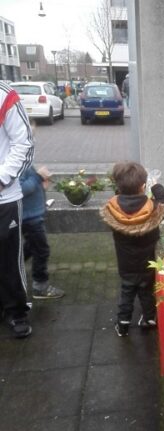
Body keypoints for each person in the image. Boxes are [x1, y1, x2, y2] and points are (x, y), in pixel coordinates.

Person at [100, 161, 164, 337]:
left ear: (118, 186)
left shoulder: (112, 208)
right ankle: (149, 319)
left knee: (127, 291)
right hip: (147, 262)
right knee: (146, 290)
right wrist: (156, 186)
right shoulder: (153, 208)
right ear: (142, 186)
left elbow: (119, 199)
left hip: (125, 263)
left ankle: (123, 324)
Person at [0, 80, 34, 338]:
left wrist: (2, 179)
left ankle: (16, 312)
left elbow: (24, 144)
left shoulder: (4, 95)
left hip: (4, 199)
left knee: (9, 259)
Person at [20, 163, 65, 299]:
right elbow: (20, 189)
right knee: (41, 251)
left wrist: (41, 186)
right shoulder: (14, 161)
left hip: (32, 215)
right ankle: (40, 287)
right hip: (29, 218)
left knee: (31, 247)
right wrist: (38, 176)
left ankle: (10, 270)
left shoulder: (22, 159)